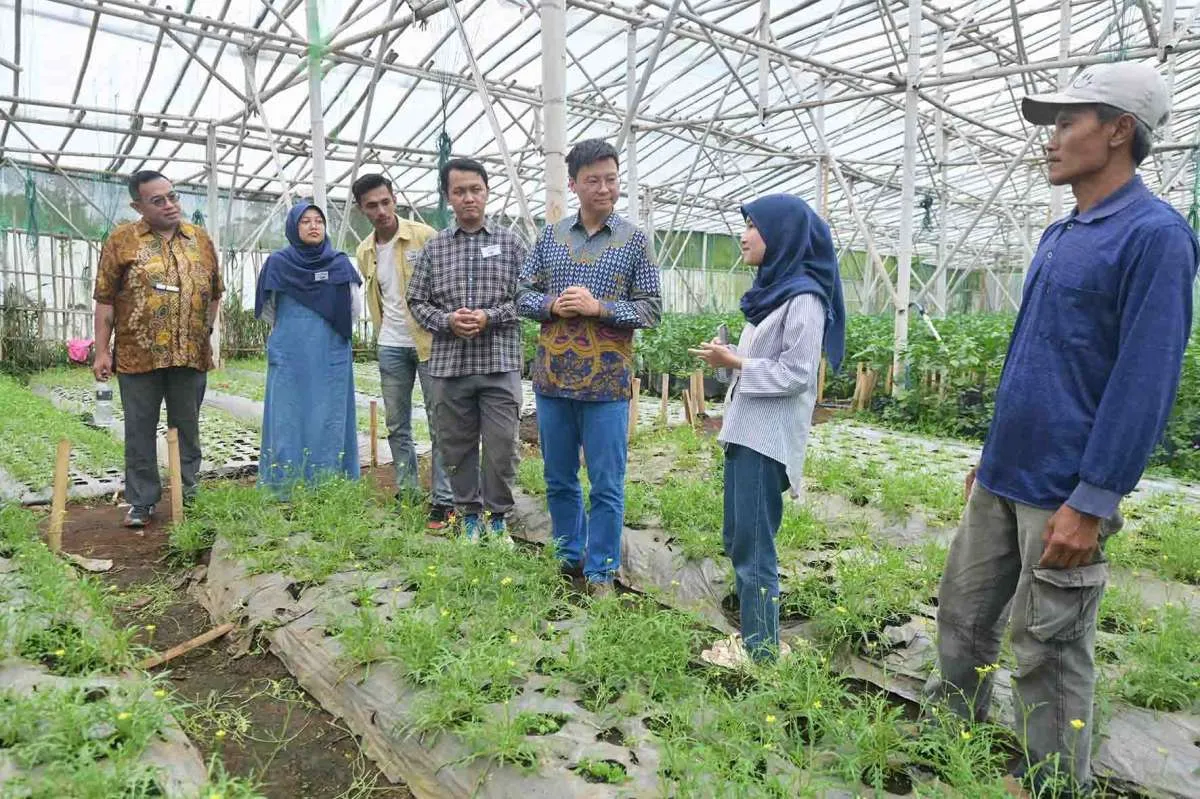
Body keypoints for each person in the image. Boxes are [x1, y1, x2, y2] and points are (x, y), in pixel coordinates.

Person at [926, 62, 1198, 797]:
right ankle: (950, 750)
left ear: (1119, 131)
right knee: (963, 616)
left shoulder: (1155, 237)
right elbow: (1031, 357)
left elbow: (1144, 381)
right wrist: (988, 458)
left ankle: (1051, 784)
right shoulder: (1061, 233)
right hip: (1003, 476)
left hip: (1063, 492)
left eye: (1068, 122)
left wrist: (1094, 498)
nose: (1051, 138)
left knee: (1047, 647)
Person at [690, 195, 845, 664]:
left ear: (782, 236)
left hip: (766, 440)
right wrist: (728, 357)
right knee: (739, 537)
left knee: (754, 545)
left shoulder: (804, 299)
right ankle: (756, 639)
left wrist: (737, 362)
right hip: (745, 431)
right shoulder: (774, 294)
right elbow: (763, 363)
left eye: (754, 227)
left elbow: (797, 373)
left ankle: (761, 653)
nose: (744, 236)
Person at [516, 139, 662, 597]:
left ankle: (601, 570)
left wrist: (600, 308)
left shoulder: (634, 241)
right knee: (558, 477)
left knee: (606, 483)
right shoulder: (552, 237)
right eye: (593, 180)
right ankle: (568, 557)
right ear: (574, 184)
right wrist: (551, 305)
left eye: (611, 179)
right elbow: (521, 294)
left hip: (607, 383)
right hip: (553, 379)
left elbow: (652, 309)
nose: (604, 188)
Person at [92, 171, 223, 528]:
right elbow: (105, 300)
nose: (169, 205)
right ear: (138, 206)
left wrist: (206, 332)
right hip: (138, 356)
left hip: (190, 354)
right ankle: (141, 501)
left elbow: (215, 293)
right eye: (158, 200)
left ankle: (188, 494)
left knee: (187, 428)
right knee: (139, 430)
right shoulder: (121, 241)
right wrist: (102, 351)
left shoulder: (199, 239)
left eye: (172, 196)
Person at [407, 158, 526, 541]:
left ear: (487, 192)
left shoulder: (510, 243)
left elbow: (527, 298)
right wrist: (447, 321)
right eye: (459, 191)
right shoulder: (435, 247)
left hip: (499, 361)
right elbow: (416, 300)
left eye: (475, 189)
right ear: (448, 196)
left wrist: (490, 316)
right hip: (450, 364)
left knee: (502, 445)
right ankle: (469, 516)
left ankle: (498, 517)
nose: (468, 198)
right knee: (456, 446)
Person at [353, 173, 455, 529]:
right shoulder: (365, 251)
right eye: (372, 206)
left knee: (440, 421)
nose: (381, 211)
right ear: (362, 209)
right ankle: (408, 489)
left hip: (429, 343)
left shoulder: (424, 237)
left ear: (394, 199)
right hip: (391, 344)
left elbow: (448, 284)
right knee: (397, 424)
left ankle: (443, 498)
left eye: (386, 202)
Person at [255, 200, 362, 494]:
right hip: (290, 352)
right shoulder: (278, 263)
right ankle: (285, 484)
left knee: (329, 415)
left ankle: (329, 483)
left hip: (331, 352)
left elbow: (354, 308)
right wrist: (295, 329)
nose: (314, 226)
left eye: (319, 221)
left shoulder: (339, 263)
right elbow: (269, 310)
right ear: (293, 226)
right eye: (306, 221)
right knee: (286, 416)